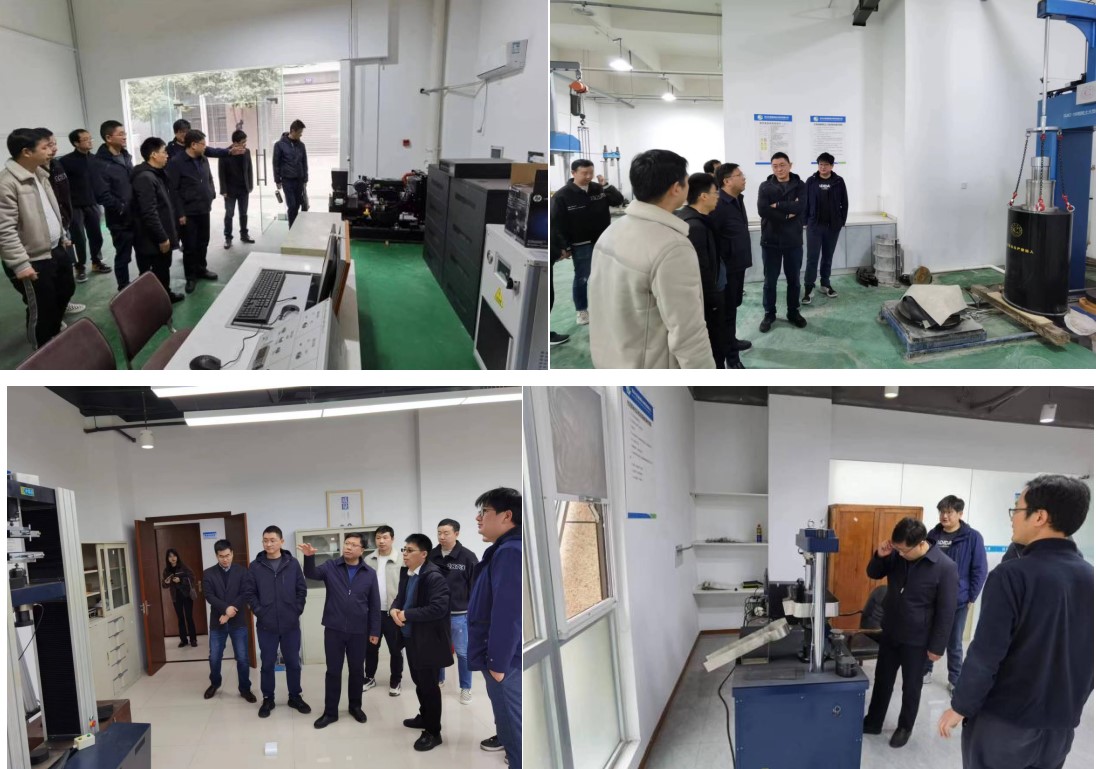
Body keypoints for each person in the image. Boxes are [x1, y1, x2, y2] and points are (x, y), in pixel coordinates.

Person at [938, 475, 1093, 769]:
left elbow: (986, 654)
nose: (1012, 518)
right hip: (1060, 727)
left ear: (1039, 517)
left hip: (1005, 723)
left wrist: (960, 706)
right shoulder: (1090, 576)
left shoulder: (1011, 575)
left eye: (1017, 509)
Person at [587, 149, 714, 369]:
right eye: (686, 181)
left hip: (610, 359)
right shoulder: (673, 247)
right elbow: (687, 332)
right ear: (676, 188)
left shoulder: (612, 231)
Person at [862, 517, 958, 748]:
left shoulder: (944, 567)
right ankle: (873, 721)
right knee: (882, 680)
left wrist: (937, 647)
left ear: (921, 543)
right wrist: (880, 555)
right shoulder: (896, 555)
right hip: (891, 631)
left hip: (918, 639)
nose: (900, 554)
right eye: (897, 549)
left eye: (904, 550)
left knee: (911, 686)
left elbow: (947, 611)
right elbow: (873, 573)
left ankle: (905, 727)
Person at [0, 128, 77, 349]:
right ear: (26, 152)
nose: (51, 150)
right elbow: (4, 229)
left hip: (55, 249)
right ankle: (41, 350)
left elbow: (50, 210)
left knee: (66, 289)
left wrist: (62, 235)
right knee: (42, 307)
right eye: (45, 147)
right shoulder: (7, 183)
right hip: (33, 258)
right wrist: (20, 263)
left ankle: (53, 332)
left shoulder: (40, 174)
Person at [298, 532, 380, 729]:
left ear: (362, 550)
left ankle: (355, 707)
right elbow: (311, 574)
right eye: (346, 543)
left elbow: (374, 604)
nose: (348, 547)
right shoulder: (331, 566)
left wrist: (375, 630)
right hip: (334, 628)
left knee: (357, 670)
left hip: (359, 630)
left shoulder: (369, 573)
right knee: (333, 671)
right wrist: (309, 558)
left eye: (353, 544)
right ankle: (330, 712)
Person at [468, 488, 523, 768]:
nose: (478, 518)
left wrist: (498, 664)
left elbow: (508, 612)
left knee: (514, 727)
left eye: (484, 512)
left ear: (506, 516)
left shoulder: (510, 552)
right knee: (508, 722)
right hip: (502, 658)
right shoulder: (502, 550)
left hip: (505, 661)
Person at [391, 533, 452, 752]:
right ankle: (425, 717)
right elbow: (400, 598)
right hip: (411, 638)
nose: (405, 554)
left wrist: (406, 614)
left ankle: (433, 732)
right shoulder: (408, 574)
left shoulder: (433, 577)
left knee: (429, 687)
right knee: (420, 682)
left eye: (410, 551)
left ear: (424, 554)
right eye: (404, 550)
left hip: (428, 641)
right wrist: (394, 609)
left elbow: (438, 608)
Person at [244, 525, 311, 718]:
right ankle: (268, 698)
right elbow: (250, 593)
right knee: (267, 664)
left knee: (293, 662)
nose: (268, 544)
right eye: (265, 540)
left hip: (290, 624)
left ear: (281, 541)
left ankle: (295, 696)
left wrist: (296, 610)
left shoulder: (292, 563)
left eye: (272, 540)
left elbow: (301, 589)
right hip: (266, 625)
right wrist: (260, 612)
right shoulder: (255, 566)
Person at [923, 495, 987, 692]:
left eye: (949, 512)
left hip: (958, 599)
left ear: (960, 514)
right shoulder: (932, 535)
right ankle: (925, 671)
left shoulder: (972, 537)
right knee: (928, 635)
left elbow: (980, 569)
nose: (944, 516)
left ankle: (955, 679)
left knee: (954, 641)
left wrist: (971, 596)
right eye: (942, 512)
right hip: (932, 597)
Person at [549, 158, 624, 327]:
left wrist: (606, 186)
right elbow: (557, 223)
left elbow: (618, 201)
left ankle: (606, 306)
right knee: (582, 277)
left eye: (591, 172)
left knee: (606, 274)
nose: (589, 176)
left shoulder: (599, 189)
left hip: (604, 240)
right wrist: (564, 246)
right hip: (580, 243)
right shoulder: (562, 195)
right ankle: (582, 310)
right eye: (584, 173)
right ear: (574, 173)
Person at [675, 173, 726, 368]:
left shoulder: (696, 218)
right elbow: (701, 270)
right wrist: (713, 302)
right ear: (704, 196)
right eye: (715, 193)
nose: (718, 197)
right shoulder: (695, 226)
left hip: (710, 293)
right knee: (714, 343)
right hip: (706, 300)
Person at [34, 128, 84, 318]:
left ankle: (62, 306)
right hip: (44, 234)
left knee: (65, 273)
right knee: (48, 280)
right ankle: (52, 316)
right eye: (48, 146)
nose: (53, 149)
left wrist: (64, 225)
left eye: (54, 144)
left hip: (62, 224)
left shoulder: (57, 165)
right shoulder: (33, 174)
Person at [429, 518, 479, 703]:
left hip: (459, 615)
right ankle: (439, 679)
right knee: (437, 650)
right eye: (439, 533)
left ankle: (466, 688)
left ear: (456, 534)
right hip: (435, 614)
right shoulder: (432, 555)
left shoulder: (468, 557)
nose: (442, 537)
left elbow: (475, 587)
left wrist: (474, 615)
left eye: (446, 533)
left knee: (462, 653)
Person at [756, 152, 807, 333]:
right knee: (770, 281)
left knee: (794, 280)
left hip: (793, 240)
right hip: (770, 240)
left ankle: (793, 312)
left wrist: (777, 205)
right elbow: (763, 210)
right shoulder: (765, 186)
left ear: (790, 165)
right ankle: (769, 313)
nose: (779, 169)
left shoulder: (800, 185)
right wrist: (787, 214)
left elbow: (801, 207)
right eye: (775, 166)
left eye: (782, 165)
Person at [165, 129, 220, 294]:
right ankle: (190, 277)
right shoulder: (176, 162)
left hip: (204, 208)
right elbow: (173, 190)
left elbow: (209, 178)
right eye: (203, 144)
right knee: (190, 245)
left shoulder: (203, 159)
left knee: (203, 241)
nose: (205, 147)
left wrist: (211, 193)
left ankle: (201, 269)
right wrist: (180, 213)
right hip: (188, 212)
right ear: (193, 145)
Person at [130, 138, 183, 302]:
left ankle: (164, 295)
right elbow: (149, 212)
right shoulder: (145, 177)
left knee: (163, 268)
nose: (167, 155)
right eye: (164, 152)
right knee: (155, 271)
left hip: (160, 233)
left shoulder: (158, 174)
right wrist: (162, 237)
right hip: (151, 238)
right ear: (153, 155)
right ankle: (155, 303)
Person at [202, 539, 255, 702]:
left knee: (243, 658)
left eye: (227, 555)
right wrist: (226, 609)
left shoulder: (242, 571)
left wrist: (230, 613)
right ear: (216, 556)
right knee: (214, 657)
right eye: (221, 556)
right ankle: (215, 683)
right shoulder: (208, 573)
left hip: (238, 621)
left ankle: (245, 689)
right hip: (217, 622)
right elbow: (209, 596)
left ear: (232, 553)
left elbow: (245, 593)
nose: (225, 559)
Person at [713, 163, 753, 368]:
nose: (744, 178)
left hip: (738, 265)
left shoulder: (737, 199)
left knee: (733, 307)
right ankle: (731, 357)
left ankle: (732, 341)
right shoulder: (718, 205)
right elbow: (714, 239)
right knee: (726, 313)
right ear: (727, 181)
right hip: (727, 269)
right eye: (739, 175)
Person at [60, 129, 111, 281]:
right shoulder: (65, 161)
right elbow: (61, 185)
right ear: (76, 143)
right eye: (85, 139)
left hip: (92, 203)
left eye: (90, 138)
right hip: (74, 206)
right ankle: (79, 266)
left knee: (96, 235)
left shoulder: (95, 159)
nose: (90, 141)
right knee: (79, 239)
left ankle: (96, 262)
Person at [91, 120, 135, 290]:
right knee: (123, 256)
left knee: (144, 252)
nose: (125, 137)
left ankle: (145, 284)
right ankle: (123, 288)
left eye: (125, 133)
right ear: (108, 138)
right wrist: (122, 208)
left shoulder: (125, 155)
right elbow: (102, 195)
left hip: (135, 215)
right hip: (119, 220)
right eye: (121, 134)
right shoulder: (99, 163)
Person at [802, 152, 848, 305]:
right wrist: (805, 221)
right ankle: (809, 288)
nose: (823, 167)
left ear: (832, 166)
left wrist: (841, 221)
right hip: (814, 227)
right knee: (812, 258)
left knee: (828, 257)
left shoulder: (838, 181)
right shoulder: (811, 181)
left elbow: (844, 202)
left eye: (826, 165)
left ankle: (825, 284)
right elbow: (805, 202)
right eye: (820, 164)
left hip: (832, 227)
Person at [364, 525, 405, 696]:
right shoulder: (368, 560)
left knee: (395, 649)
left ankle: (396, 680)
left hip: (393, 612)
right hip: (372, 612)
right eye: (378, 538)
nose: (381, 541)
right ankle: (369, 677)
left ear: (392, 539)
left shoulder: (401, 559)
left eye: (385, 537)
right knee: (370, 648)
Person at [219, 129, 254, 249]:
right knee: (229, 214)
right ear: (235, 143)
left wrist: (250, 185)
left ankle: (244, 235)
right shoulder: (225, 153)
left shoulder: (246, 152)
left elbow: (249, 169)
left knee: (243, 213)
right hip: (230, 191)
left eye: (245, 142)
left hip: (243, 189)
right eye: (242, 142)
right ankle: (228, 238)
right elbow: (221, 173)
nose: (245, 145)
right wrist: (223, 190)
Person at [273, 119, 309, 227]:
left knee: (297, 205)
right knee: (292, 205)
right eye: (299, 132)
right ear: (293, 131)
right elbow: (275, 163)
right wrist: (277, 180)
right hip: (287, 180)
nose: (301, 134)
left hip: (299, 180)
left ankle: (295, 228)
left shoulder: (301, 145)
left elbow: (304, 162)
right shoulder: (279, 145)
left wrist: (305, 178)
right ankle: (292, 229)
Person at [161, 548, 198, 648]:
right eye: (170, 556)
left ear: (177, 557)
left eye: (174, 556)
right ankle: (183, 640)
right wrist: (166, 582)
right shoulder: (166, 570)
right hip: (175, 597)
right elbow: (164, 585)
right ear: (167, 559)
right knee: (180, 618)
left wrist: (181, 580)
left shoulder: (184, 567)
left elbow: (192, 578)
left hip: (186, 595)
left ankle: (193, 639)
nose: (172, 558)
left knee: (189, 617)